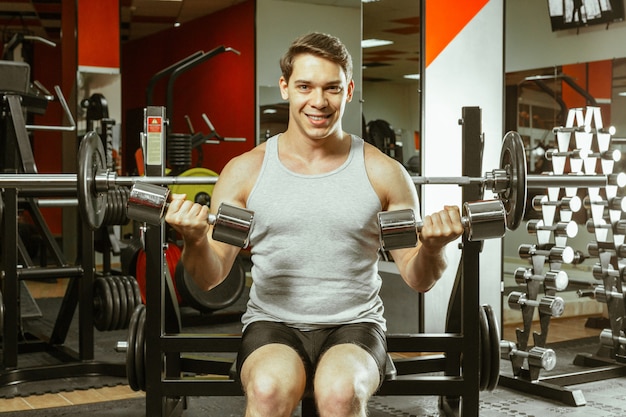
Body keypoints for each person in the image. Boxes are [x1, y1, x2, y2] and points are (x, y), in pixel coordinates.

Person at [165, 32, 464, 417]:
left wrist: (435, 248)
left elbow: (417, 277)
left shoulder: (384, 174)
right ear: (286, 88)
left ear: (350, 90)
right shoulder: (245, 173)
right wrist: (194, 240)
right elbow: (210, 277)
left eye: (332, 88)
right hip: (273, 324)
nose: (319, 102)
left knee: (340, 393)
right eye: (305, 86)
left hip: (354, 326)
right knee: (268, 389)